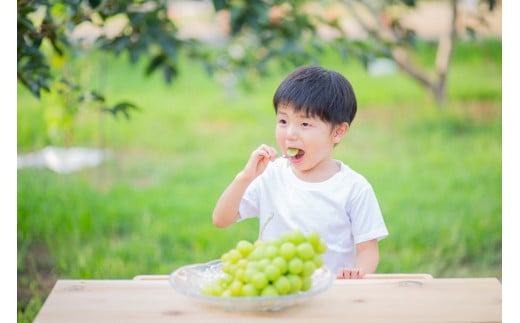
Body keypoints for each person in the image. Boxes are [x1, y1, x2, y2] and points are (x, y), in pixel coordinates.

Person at [212, 65, 388, 279]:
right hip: (276, 289)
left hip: (330, 293)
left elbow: (368, 250)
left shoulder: (354, 188)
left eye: (305, 123)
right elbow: (221, 219)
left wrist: (358, 271)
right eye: (283, 121)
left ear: (338, 132)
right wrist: (245, 177)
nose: (290, 134)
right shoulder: (271, 175)